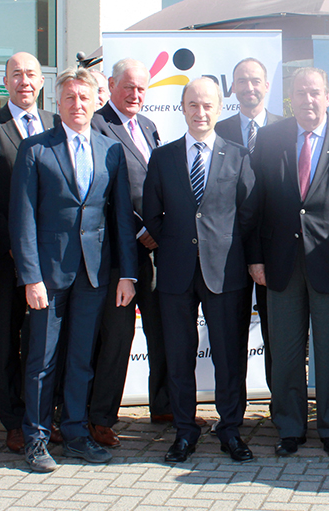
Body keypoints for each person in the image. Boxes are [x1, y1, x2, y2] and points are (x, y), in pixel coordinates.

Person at [9, 67, 138, 472]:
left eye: (84, 97)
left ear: (96, 100)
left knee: (82, 358)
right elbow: (22, 219)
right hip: (47, 276)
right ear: (58, 102)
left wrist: (127, 274)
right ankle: (36, 438)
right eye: (69, 98)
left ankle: (76, 433)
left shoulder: (110, 150)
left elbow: (121, 217)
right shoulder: (35, 149)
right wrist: (30, 277)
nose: (77, 104)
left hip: (93, 275)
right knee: (42, 359)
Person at [246, 67, 329, 456]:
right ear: (291, 98)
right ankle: (289, 427)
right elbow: (255, 203)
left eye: (314, 92)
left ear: (328, 96)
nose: (307, 99)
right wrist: (255, 258)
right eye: (300, 92)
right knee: (285, 352)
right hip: (280, 263)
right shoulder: (269, 138)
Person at [143, 77, 254, 463]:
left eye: (207, 105)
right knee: (179, 356)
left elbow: (248, 213)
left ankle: (231, 430)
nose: (200, 112)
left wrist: (223, 247)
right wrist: (177, 243)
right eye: (193, 104)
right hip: (175, 272)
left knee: (228, 356)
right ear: (183, 108)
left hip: (224, 272)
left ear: (219, 108)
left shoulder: (238, 155)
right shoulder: (163, 157)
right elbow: (152, 214)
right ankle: (184, 432)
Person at [0, 52, 60, 453]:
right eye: (16, 74)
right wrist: (12, 243)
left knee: (45, 342)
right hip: (5, 257)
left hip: (51, 259)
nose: (25, 81)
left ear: (41, 82)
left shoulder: (57, 123)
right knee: (6, 341)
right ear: (5, 82)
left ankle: (43, 416)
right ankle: (14, 421)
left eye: (31, 74)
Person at [89, 58, 170, 447]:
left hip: (156, 250)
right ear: (111, 85)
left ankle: (165, 406)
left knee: (162, 329)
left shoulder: (149, 126)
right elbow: (101, 191)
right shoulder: (96, 125)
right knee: (117, 337)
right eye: (128, 87)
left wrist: (160, 227)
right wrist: (141, 229)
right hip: (119, 252)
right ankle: (101, 417)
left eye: (141, 88)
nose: (135, 94)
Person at [214, 57, 283, 410]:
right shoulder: (217, 129)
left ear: (267, 85)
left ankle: (280, 409)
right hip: (229, 251)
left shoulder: (286, 129)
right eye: (242, 81)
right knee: (231, 336)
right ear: (233, 87)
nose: (249, 87)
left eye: (255, 80)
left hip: (275, 249)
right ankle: (232, 415)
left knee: (278, 335)